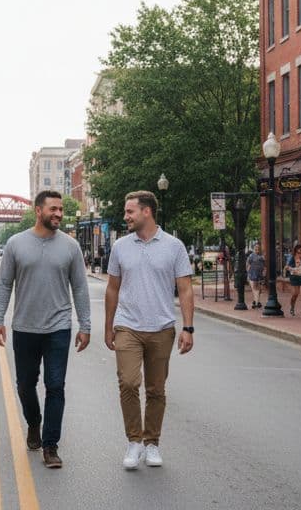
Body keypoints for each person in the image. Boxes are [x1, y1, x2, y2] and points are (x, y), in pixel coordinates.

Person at [0, 190, 91, 470]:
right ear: (38, 211)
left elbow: (80, 287)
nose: (58, 213)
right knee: (25, 385)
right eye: (53, 209)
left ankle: (50, 445)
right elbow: (4, 284)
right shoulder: (15, 243)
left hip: (59, 327)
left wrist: (85, 324)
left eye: (60, 209)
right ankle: (34, 423)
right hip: (25, 327)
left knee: (55, 386)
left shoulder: (71, 246)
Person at [104, 190, 194, 471]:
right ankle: (134, 441)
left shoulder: (174, 246)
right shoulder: (120, 246)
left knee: (156, 389)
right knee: (129, 382)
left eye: (130, 211)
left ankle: (151, 442)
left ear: (147, 212)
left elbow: (185, 288)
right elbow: (112, 288)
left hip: (162, 328)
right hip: (127, 325)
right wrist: (108, 326)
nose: (126, 216)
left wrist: (188, 327)